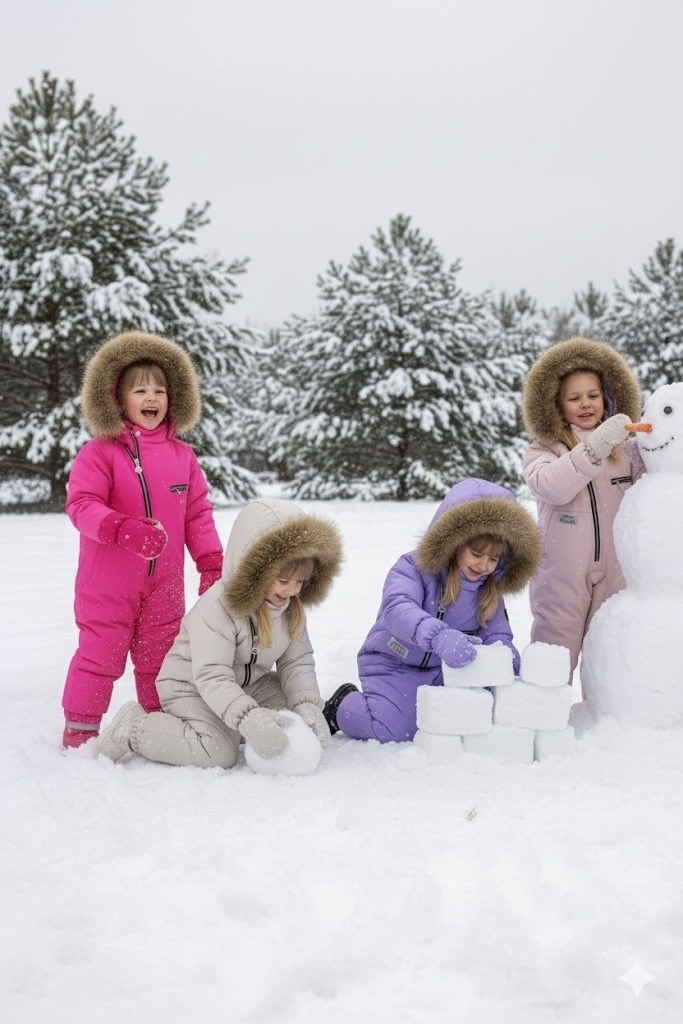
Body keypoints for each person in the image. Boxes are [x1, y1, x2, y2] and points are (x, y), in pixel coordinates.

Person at [62, 331, 224, 749]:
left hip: (165, 584)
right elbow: (82, 504)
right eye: (140, 390)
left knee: (162, 659)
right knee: (100, 655)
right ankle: (80, 729)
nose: (152, 398)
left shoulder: (182, 456)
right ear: (117, 400)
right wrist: (121, 528)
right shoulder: (100, 452)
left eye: (160, 391)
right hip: (107, 584)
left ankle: (158, 727)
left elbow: (197, 515)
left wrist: (211, 563)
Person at [93, 498, 343, 768]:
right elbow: (212, 675)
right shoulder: (218, 608)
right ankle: (134, 728)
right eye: (283, 580)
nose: (292, 590)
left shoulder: (290, 607)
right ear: (257, 571)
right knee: (218, 751)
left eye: (300, 582)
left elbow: (297, 662)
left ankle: (235, 722)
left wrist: (306, 704)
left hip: (245, 684)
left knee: (291, 708)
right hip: (192, 687)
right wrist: (247, 717)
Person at [323, 478, 542, 743]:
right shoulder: (414, 569)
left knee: (467, 716)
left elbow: (495, 632)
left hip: (443, 670)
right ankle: (342, 707)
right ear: (454, 542)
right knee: (396, 729)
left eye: (494, 559)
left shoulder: (488, 589)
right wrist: (438, 636)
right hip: (394, 661)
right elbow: (397, 608)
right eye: (476, 553)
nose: (484, 565)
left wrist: (503, 652)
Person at [521, 336, 644, 681]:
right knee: (553, 653)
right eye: (574, 398)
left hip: (618, 571)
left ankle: (603, 712)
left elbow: (655, 485)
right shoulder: (544, 449)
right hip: (561, 572)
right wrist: (593, 448)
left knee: (610, 657)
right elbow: (551, 486)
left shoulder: (627, 449)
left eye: (593, 396)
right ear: (556, 406)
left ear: (608, 399)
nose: (586, 404)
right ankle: (544, 708)